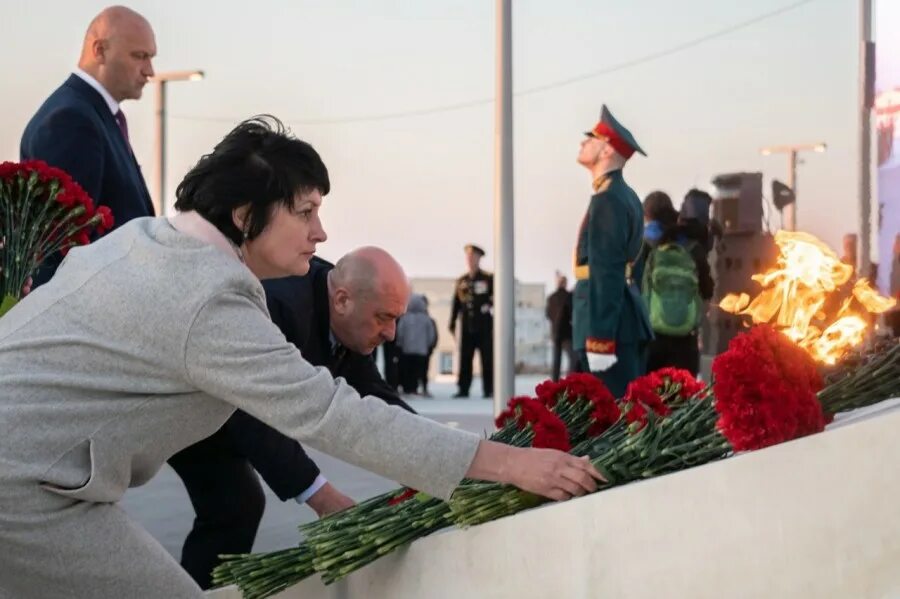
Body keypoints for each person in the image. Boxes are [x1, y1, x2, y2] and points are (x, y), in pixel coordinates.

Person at [0, 116, 601, 598]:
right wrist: (510, 464)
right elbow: (329, 413)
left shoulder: (149, 241)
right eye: (306, 212)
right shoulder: (208, 297)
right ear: (244, 217)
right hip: (24, 486)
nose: (321, 233)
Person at [169, 247, 416, 589]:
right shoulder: (279, 304)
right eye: (384, 318)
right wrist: (322, 496)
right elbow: (251, 409)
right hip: (184, 402)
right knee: (234, 504)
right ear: (343, 301)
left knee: (236, 506)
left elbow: (374, 395)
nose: (391, 333)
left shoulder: (344, 307)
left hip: (223, 406)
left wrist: (441, 459)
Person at [20, 6, 156, 287]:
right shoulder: (70, 120)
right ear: (100, 51)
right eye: (139, 56)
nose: (150, 71)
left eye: (150, 58)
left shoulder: (93, 115)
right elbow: (67, 247)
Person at [573, 105, 653, 397]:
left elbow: (607, 269)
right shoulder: (625, 196)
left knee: (610, 423)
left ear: (607, 150)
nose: (583, 143)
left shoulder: (609, 199)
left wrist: (601, 339)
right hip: (623, 320)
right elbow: (636, 267)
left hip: (609, 328)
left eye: (591, 138)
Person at [638, 192, 714, 375]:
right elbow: (707, 290)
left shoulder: (643, 244)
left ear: (646, 215)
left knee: (649, 397)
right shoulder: (692, 246)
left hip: (652, 337)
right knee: (684, 396)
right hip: (685, 339)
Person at [449, 244, 494, 398]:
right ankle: (463, 389)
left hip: (484, 326)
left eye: (473, 257)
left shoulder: (488, 279)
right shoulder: (462, 281)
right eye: (468, 257)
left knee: (487, 358)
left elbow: (495, 300)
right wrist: (452, 322)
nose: (470, 260)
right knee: (465, 358)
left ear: (479, 258)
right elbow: (456, 303)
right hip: (467, 325)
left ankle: (489, 389)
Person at [397, 294, 438, 396]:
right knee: (422, 371)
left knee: (409, 371)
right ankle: (423, 388)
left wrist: (400, 344)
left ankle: (409, 389)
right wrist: (429, 345)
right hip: (422, 351)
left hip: (407, 350)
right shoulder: (426, 319)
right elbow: (431, 334)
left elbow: (400, 333)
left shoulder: (404, 318)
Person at [545, 273, 576, 381]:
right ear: (565, 283)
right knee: (573, 358)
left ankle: (554, 382)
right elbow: (573, 313)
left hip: (555, 332)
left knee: (556, 360)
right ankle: (570, 380)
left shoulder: (551, 297)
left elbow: (547, 314)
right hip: (566, 333)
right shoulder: (569, 296)